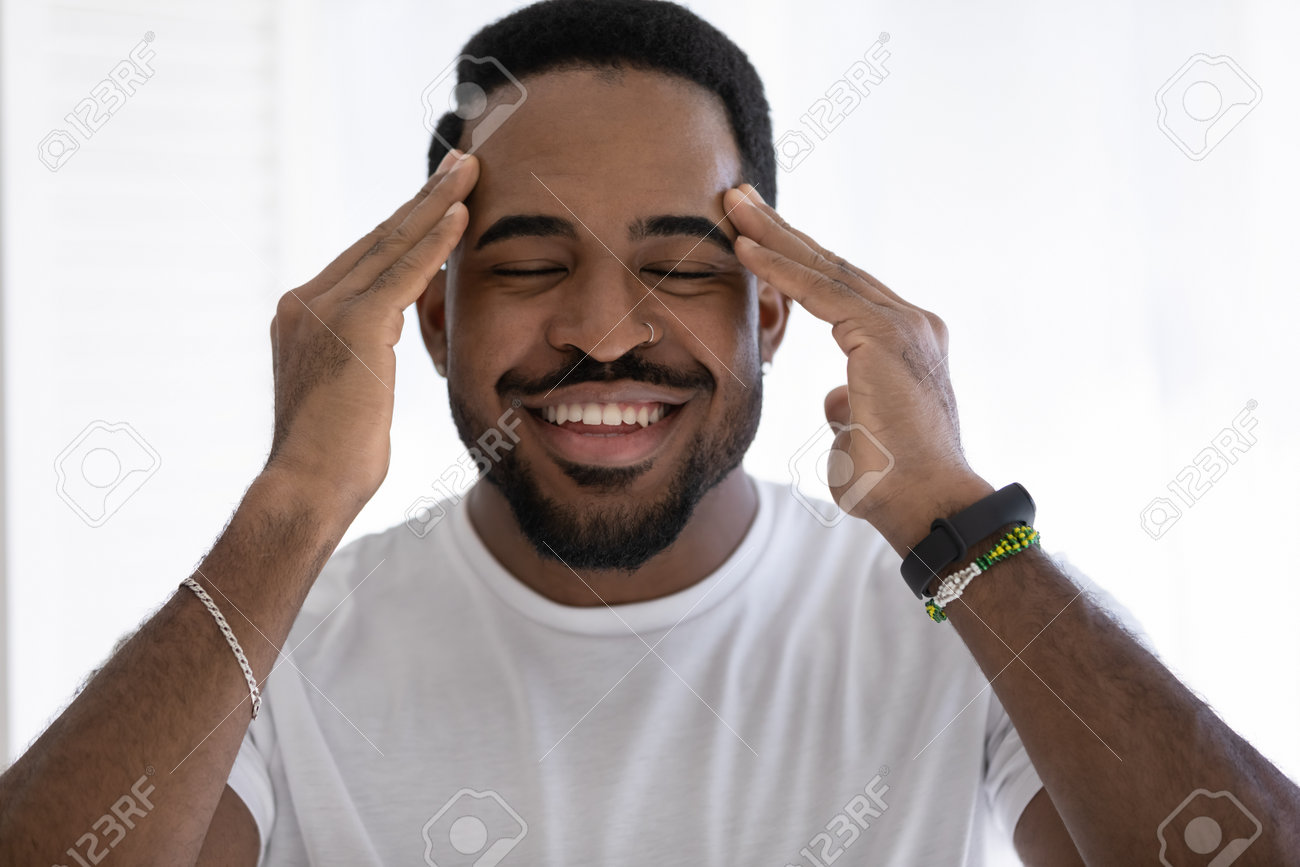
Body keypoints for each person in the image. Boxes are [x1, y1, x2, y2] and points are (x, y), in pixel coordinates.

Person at [3, 1, 1298, 864]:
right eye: (526, 265)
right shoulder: (272, 645)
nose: (607, 331)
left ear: (776, 312)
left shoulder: (970, 606)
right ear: (434, 321)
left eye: (680, 265)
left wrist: (951, 521)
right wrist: (292, 504)